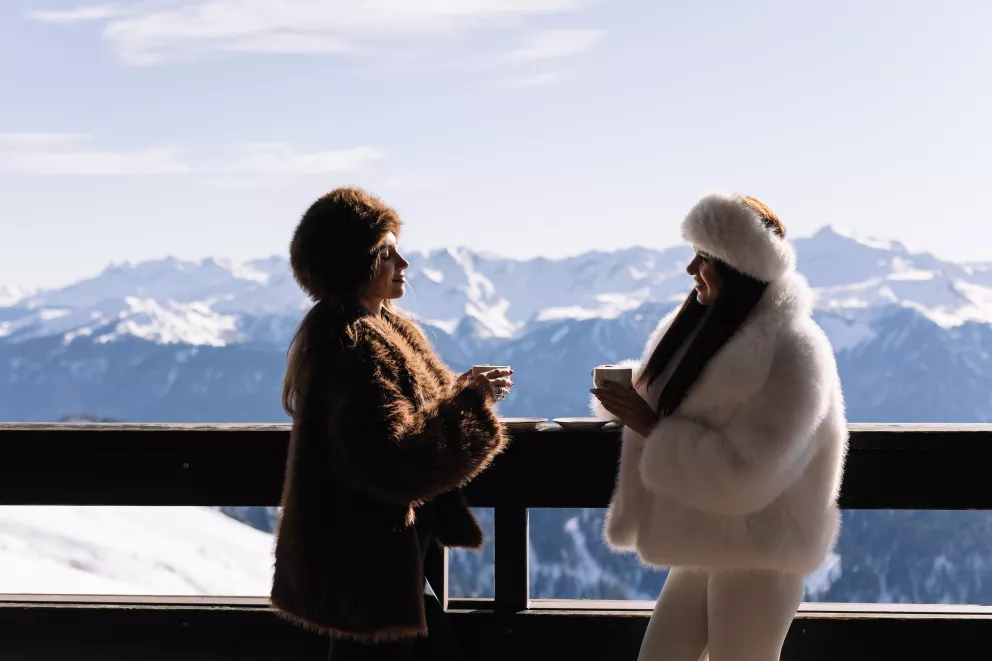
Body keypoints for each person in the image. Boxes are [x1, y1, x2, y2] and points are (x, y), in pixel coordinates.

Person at [591, 193, 848, 661]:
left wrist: (650, 426)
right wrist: (626, 400)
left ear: (737, 265)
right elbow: (686, 403)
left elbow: (749, 471)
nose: (691, 270)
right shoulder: (700, 328)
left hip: (760, 550)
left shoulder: (795, 348)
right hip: (707, 540)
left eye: (703, 257)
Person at [271, 187, 513, 660]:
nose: (403, 262)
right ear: (352, 263)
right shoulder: (354, 343)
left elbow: (403, 415)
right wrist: (471, 402)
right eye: (386, 252)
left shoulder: (380, 328)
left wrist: (462, 390)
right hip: (368, 562)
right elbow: (392, 458)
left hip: (373, 557)